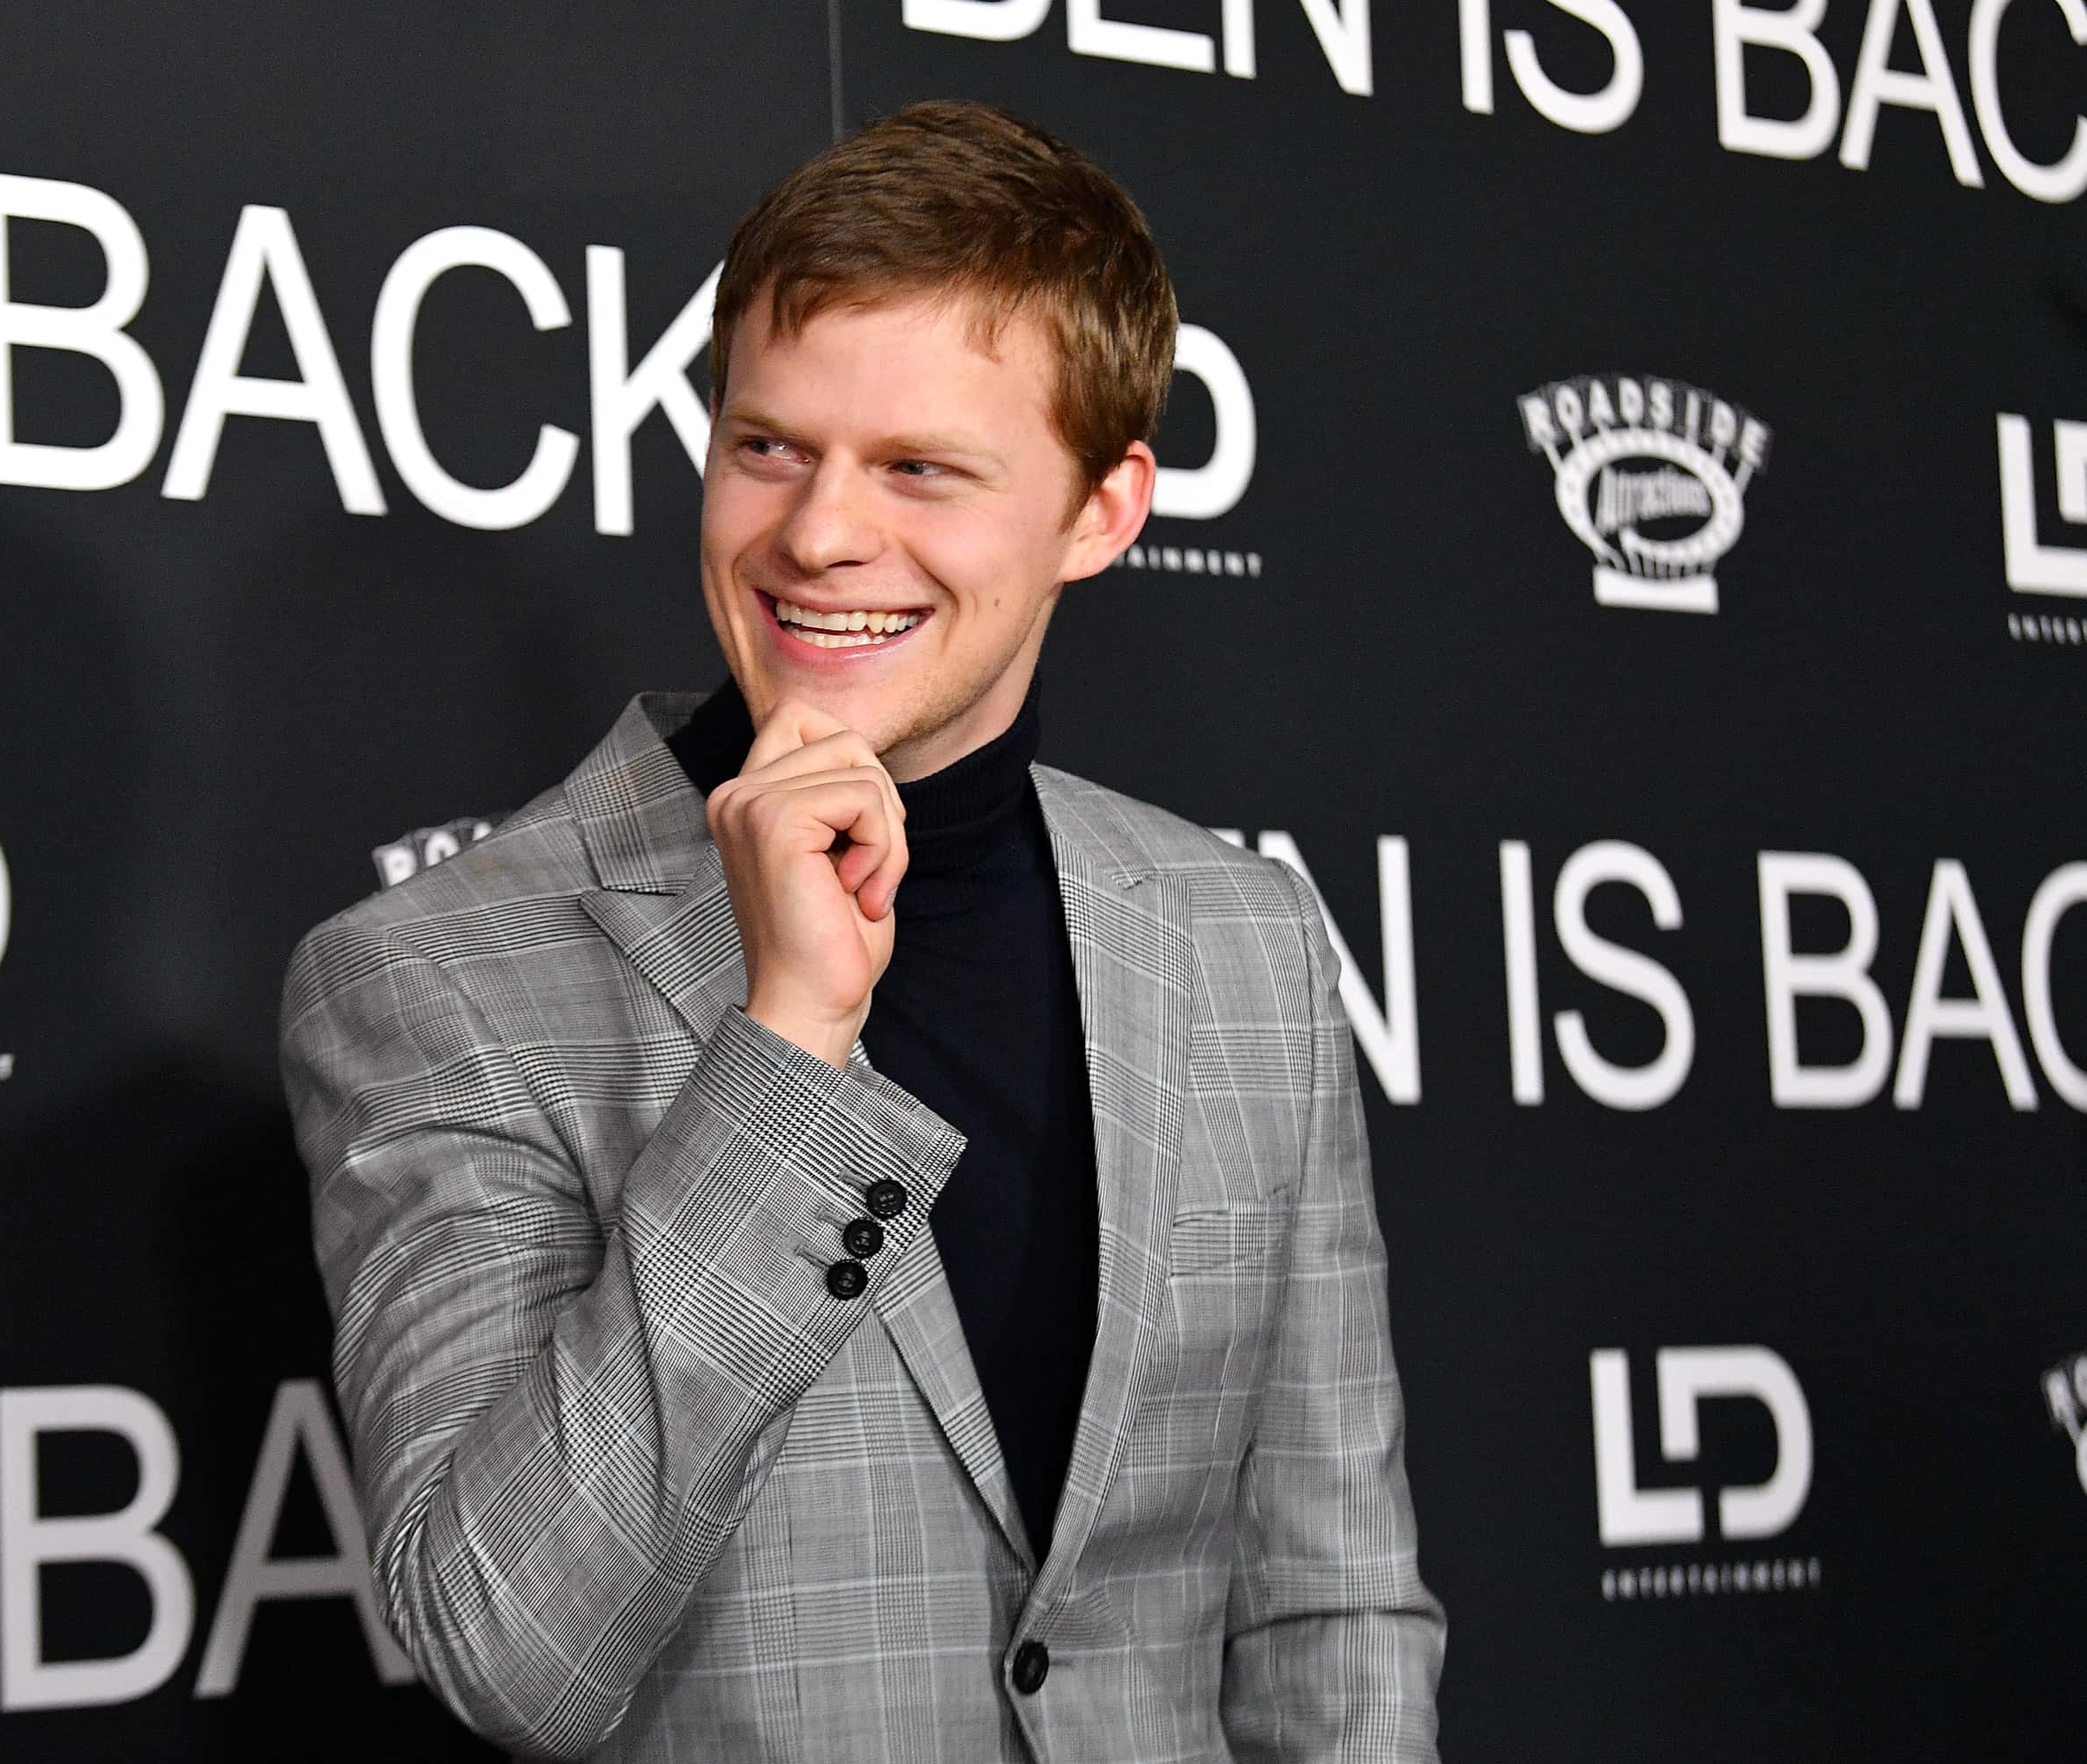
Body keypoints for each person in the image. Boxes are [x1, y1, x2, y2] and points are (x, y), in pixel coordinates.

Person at [281, 100, 1442, 1763]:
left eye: (920, 469)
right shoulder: (434, 979)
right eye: (769, 447)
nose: (819, 534)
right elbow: (509, 1651)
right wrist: (787, 1047)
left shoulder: (1236, 940)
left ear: (1103, 510)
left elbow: (1333, 1604)